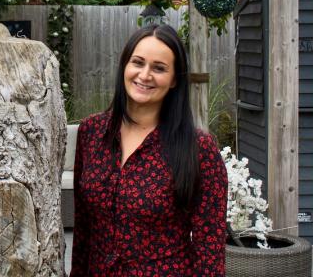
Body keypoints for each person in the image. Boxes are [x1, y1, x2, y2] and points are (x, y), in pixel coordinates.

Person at [70, 24, 227, 276]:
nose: (145, 75)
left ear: (175, 79)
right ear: (125, 66)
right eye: (138, 62)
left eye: (159, 68)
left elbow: (209, 248)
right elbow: (83, 229)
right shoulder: (92, 132)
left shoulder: (199, 149)